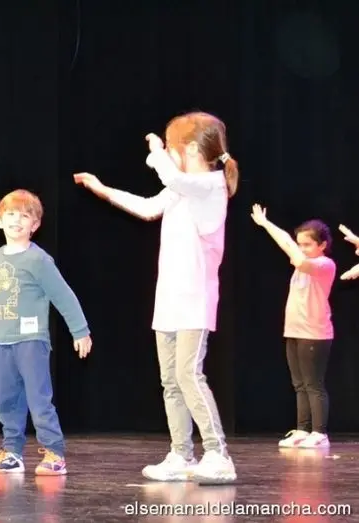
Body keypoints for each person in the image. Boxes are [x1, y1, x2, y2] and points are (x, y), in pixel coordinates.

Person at [74, 111, 238, 483]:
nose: (168, 152)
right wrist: (101, 189)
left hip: (194, 299)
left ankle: (218, 454)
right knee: (171, 380)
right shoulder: (180, 189)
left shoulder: (210, 185)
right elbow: (147, 207)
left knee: (189, 374)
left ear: (191, 149)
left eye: (173, 145)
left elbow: (172, 176)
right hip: (169, 299)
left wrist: (155, 149)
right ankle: (181, 453)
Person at [0, 189, 92, 476]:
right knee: (6, 400)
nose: (16, 220)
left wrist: (80, 331)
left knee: (39, 399)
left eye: (24, 216)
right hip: (3, 341)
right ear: (0, 220)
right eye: (10, 214)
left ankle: (54, 452)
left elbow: (63, 295)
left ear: (35, 225)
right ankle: (12, 452)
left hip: (31, 340)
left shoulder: (38, 260)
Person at [250, 207, 335, 449]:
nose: (302, 248)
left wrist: (291, 246)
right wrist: (266, 223)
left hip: (314, 333)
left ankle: (319, 433)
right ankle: (302, 429)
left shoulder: (324, 264)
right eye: (300, 244)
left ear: (322, 245)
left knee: (313, 384)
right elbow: (287, 242)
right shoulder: (303, 261)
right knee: (299, 384)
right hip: (294, 330)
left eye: (308, 244)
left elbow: (295, 255)